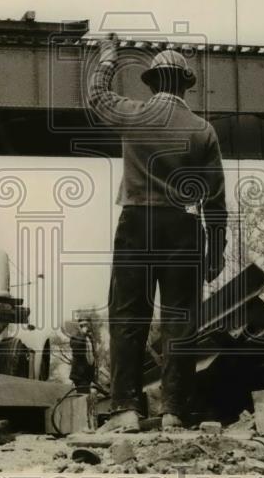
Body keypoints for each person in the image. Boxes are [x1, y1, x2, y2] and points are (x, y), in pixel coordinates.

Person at [87, 36, 227, 432]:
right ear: (185, 84)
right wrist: (215, 254)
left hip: (136, 223)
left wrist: (108, 57)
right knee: (180, 321)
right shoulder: (203, 131)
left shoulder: (132, 114)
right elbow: (215, 201)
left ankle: (127, 410)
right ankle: (173, 412)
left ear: (151, 83)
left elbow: (97, 95)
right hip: (182, 226)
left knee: (128, 316)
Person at [69, 319, 96, 394]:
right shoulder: (75, 336)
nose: (87, 327)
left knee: (87, 397)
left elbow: (92, 355)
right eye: (84, 325)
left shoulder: (89, 338)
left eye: (87, 325)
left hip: (88, 374)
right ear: (80, 326)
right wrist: (82, 334)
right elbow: (76, 350)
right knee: (83, 396)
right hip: (80, 375)